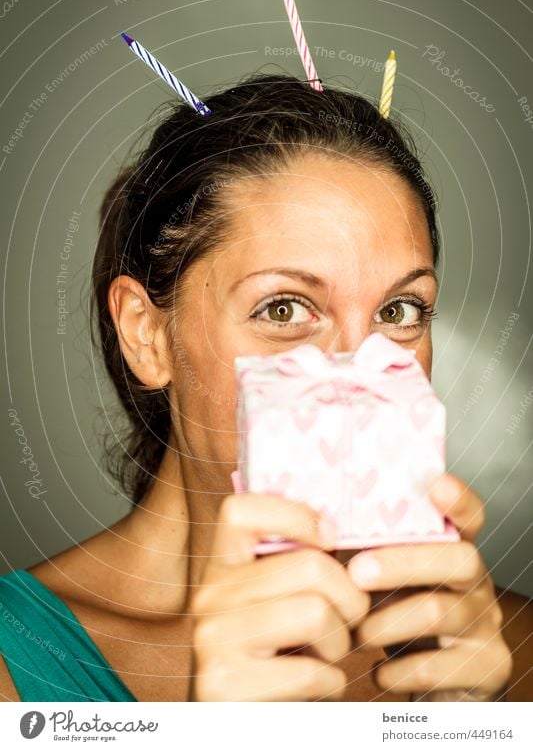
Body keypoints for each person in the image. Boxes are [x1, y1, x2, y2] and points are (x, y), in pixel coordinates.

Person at [0, 74, 531, 702]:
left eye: (398, 312)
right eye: (283, 310)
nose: (360, 375)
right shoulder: (20, 666)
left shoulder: (504, 655)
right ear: (148, 335)